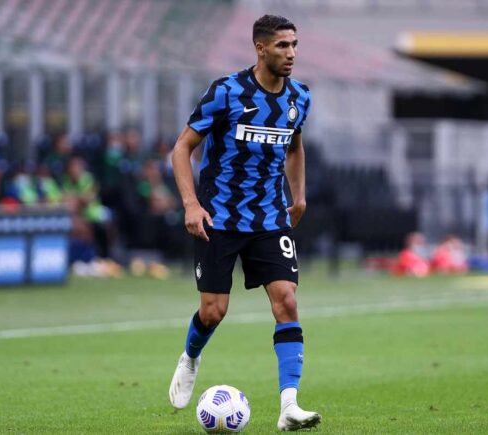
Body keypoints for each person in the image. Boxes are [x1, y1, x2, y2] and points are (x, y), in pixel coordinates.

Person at [168, 15, 320, 431]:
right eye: (282, 45)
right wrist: (191, 205)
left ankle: (289, 406)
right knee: (213, 311)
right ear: (260, 48)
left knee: (287, 300)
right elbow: (182, 148)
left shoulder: (300, 97)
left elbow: (294, 146)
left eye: (294, 45)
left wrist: (298, 196)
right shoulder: (227, 92)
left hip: (269, 217)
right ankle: (191, 356)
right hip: (219, 217)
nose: (291, 53)